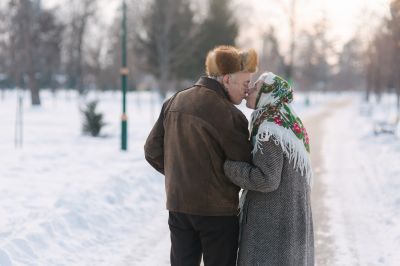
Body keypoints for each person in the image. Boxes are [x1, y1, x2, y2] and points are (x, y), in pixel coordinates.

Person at [144, 45, 258, 266]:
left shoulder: (174, 101)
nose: (247, 89)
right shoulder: (230, 115)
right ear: (226, 79)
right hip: (218, 214)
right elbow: (244, 166)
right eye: (245, 83)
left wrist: (181, 175)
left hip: (178, 207)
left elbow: (151, 150)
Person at [224, 72, 314, 266]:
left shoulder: (270, 129)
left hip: (272, 228)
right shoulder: (289, 121)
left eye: (255, 88)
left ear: (268, 94)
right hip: (290, 220)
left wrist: (229, 167)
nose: (248, 90)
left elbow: (266, 179)